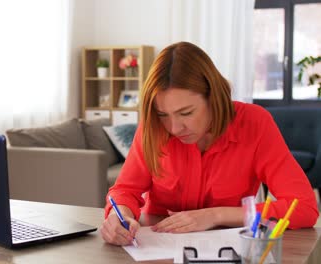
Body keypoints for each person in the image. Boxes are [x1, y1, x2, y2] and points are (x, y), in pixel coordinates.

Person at [100, 42, 319, 246]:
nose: (174, 128)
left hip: (229, 249)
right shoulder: (154, 127)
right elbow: (125, 190)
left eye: (186, 113)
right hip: (158, 247)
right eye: (162, 114)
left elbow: (303, 207)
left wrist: (215, 215)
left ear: (214, 97)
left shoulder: (255, 123)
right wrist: (119, 215)